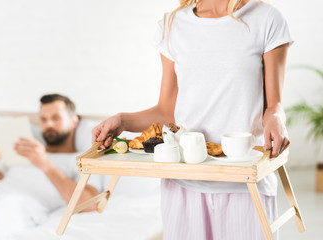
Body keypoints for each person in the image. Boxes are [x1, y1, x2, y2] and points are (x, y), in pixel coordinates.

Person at [92, 0, 292, 239]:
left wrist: (277, 119)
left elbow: (274, 105)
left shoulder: (266, 18)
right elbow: (167, 113)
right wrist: (122, 121)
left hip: (245, 184)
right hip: (183, 186)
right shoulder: (173, 24)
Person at [0, 94, 99, 238]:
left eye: (56, 118)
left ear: (73, 121)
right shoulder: (24, 151)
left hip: (17, 205)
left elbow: (89, 204)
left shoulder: (80, 160)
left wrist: (45, 165)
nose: (49, 125)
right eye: (44, 119)